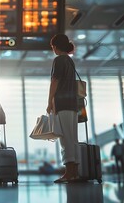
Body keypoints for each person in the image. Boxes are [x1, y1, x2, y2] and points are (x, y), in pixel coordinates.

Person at [46, 34, 79, 183]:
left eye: (53, 46)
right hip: (73, 104)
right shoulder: (70, 61)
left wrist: (49, 102)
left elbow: (55, 81)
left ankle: (69, 173)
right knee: (72, 138)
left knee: (65, 138)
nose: (52, 49)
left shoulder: (59, 60)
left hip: (62, 103)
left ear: (56, 46)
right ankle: (75, 172)